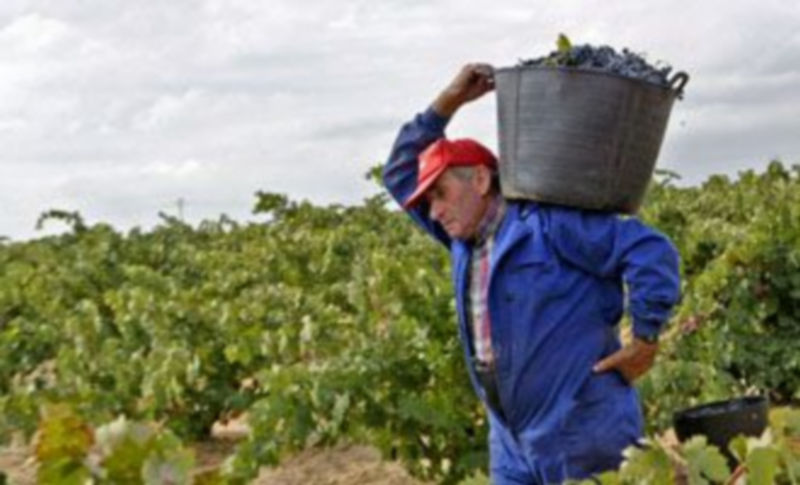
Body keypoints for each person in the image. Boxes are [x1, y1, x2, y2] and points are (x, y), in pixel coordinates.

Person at [382, 64, 681, 484]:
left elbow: (650, 251)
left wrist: (646, 338)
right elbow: (397, 173)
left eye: (441, 194)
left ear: (481, 179)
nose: (434, 211)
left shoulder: (549, 225)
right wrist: (449, 101)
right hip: (511, 440)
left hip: (581, 433)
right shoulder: (462, 242)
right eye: (428, 201)